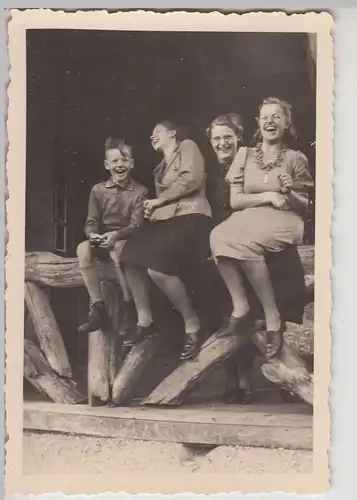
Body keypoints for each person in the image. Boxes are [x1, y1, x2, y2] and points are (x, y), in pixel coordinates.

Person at [210, 97, 313, 360]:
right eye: (265, 117)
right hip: (250, 216)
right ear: (258, 123)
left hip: (284, 219)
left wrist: (289, 192)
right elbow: (236, 200)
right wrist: (268, 195)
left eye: (276, 117)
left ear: (286, 123)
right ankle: (241, 306)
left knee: (243, 244)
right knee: (218, 236)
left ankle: (272, 316)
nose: (270, 121)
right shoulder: (244, 154)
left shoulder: (295, 158)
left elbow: (305, 206)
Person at [120, 120, 212, 360]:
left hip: (193, 217)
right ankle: (144, 319)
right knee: (129, 253)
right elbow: (164, 201)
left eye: (157, 131)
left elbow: (192, 179)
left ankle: (192, 323)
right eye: (151, 135)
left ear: (173, 132)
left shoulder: (188, 147)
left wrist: (160, 201)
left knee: (157, 268)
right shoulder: (158, 169)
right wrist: (154, 210)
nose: (152, 137)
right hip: (169, 221)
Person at [77, 137, 148, 336]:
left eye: (124, 160)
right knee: (83, 249)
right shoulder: (98, 190)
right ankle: (98, 308)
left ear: (132, 163)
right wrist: (92, 235)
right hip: (103, 239)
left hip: (126, 239)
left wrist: (116, 235)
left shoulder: (140, 192)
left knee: (117, 250)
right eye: (115, 161)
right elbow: (91, 221)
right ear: (107, 165)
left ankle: (128, 306)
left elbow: (136, 225)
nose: (120, 165)